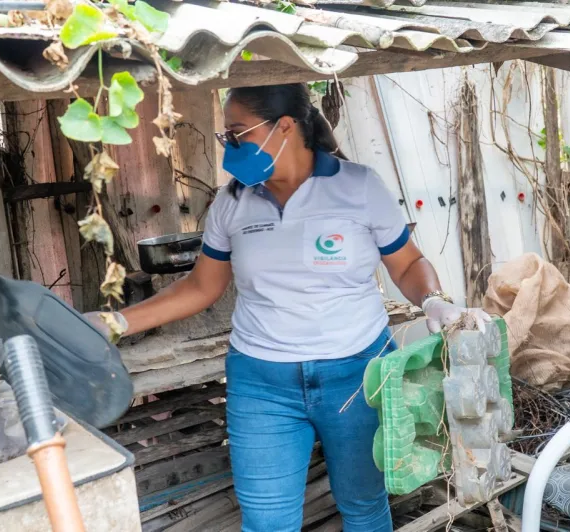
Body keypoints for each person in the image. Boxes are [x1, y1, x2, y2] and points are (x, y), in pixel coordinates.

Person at [89, 83, 491, 532]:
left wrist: (433, 299)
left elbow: (409, 263)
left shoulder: (358, 187)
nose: (230, 147)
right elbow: (202, 287)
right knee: (267, 523)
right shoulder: (232, 202)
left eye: (238, 134)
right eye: (227, 136)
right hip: (263, 384)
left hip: (359, 376)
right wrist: (115, 322)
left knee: (363, 504)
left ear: (284, 126)